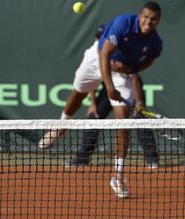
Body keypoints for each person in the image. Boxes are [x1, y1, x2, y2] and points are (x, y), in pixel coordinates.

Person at [39, 1, 163, 199]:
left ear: (158, 21)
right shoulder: (123, 24)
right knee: (78, 93)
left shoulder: (155, 42)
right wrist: (109, 87)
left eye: (153, 19)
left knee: (123, 122)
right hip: (97, 59)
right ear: (140, 15)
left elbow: (149, 60)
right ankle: (61, 125)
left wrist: (130, 70)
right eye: (146, 17)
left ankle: (119, 175)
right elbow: (104, 53)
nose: (149, 22)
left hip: (119, 71)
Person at [65, 26, 159, 169]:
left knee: (139, 119)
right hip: (109, 88)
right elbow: (92, 83)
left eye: (100, 37)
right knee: (93, 118)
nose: (98, 40)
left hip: (129, 85)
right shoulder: (97, 55)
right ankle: (82, 158)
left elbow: (134, 77)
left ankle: (152, 159)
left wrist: (139, 102)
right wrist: (92, 104)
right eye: (97, 37)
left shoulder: (118, 51)